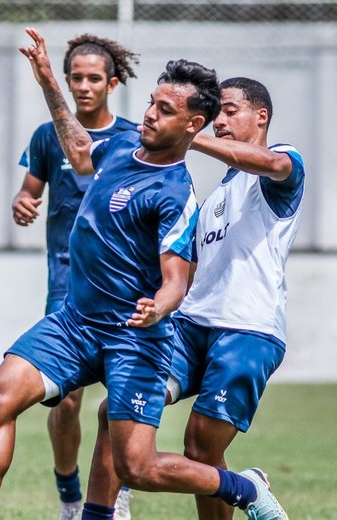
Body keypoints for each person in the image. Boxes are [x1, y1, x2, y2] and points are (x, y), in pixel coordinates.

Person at [0, 27, 286, 520]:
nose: (150, 114)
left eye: (165, 111)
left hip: (134, 337)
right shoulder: (118, 148)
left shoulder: (176, 194)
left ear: (193, 125)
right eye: (152, 103)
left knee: (138, 466)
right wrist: (48, 79)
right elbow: (76, 148)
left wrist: (162, 304)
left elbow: (177, 278)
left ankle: (242, 488)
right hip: (75, 323)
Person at [86, 77, 302, 520]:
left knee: (201, 448)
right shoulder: (215, 196)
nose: (221, 120)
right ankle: (108, 510)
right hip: (190, 326)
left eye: (229, 110)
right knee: (116, 409)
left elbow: (266, 162)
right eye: (215, 112)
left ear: (260, 116)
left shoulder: (282, 165)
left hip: (247, 330)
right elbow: (189, 269)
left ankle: (249, 488)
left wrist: (192, 136)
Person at [12, 33, 138, 520]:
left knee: (121, 399)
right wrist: (24, 202)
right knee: (63, 403)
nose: (84, 86)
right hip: (66, 289)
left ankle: (116, 489)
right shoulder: (47, 137)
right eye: (76, 78)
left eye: (93, 78)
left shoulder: (131, 139)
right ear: (66, 81)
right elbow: (29, 189)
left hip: (124, 288)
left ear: (112, 82)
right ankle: (69, 496)